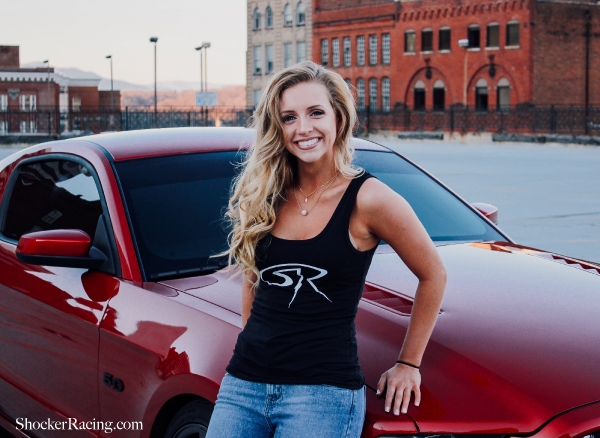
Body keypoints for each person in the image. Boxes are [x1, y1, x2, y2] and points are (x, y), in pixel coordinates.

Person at [205, 61, 446, 438]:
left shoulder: (370, 199)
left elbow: (433, 274)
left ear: (339, 117)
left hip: (322, 395)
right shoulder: (267, 194)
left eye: (315, 112)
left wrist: (408, 363)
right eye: (288, 117)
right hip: (244, 386)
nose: (303, 128)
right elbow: (254, 281)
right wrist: (255, 346)